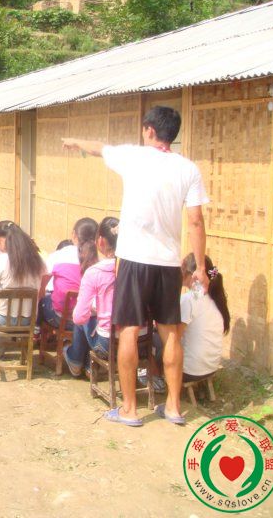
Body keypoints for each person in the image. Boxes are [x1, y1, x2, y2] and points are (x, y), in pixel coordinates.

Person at [63, 105, 209, 427]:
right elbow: (196, 221)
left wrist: (74, 142)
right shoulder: (188, 169)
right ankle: (173, 407)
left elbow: (98, 147)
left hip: (133, 260)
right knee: (170, 333)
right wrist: (199, 267)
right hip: (168, 263)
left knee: (128, 330)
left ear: (150, 130)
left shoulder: (133, 156)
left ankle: (129, 409)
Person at [0, 222, 46, 364]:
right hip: (28, 320)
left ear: (2, 240)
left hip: (3, 320)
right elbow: (41, 294)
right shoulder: (39, 260)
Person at [63, 217, 119, 376]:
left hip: (106, 345)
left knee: (83, 317)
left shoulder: (95, 272)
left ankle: (76, 361)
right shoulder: (135, 269)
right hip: (139, 342)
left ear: (100, 241)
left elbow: (79, 317)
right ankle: (88, 365)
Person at [39, 217, 98, 329]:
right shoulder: (99, 261)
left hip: (59, 318)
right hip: (88, 321)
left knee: (44, 299)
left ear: (74, 235)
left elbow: (42, 285)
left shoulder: (60, 255)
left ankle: (37, 331)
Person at [179, 254, 229, 382]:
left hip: (190, 371)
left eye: (182, 268)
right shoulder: (215, 297)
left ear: (193, 275)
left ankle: (155, 380)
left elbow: (175, 337)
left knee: (157, 342)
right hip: (211, 367)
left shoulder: (189, 300)